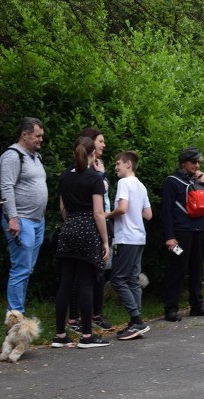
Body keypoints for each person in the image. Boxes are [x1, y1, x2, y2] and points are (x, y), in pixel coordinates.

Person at [51, 136, 111, 348]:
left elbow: (63, 209)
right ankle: (87, 336)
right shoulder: (95, 179)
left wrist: (71, 223)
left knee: (66, 281)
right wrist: (105, 241)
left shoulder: (65, 176)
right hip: (87, 230)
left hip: (68, 229)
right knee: (86, 282)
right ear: (93, 154)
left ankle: (59, 335)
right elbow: (98, 212)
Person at [161, 147, 204, 321]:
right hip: (181, 232)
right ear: (184, 163)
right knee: (177, 270)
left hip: (199, 230)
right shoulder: (172, 181)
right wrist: (169, 236)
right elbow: (166, 211)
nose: (197, 165)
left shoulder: (198, 181)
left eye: (199, 162)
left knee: (197, 269)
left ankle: (197, 305)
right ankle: (171, 308)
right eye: (194, 162)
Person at [66, 127, 115, 332]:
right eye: (101, 141)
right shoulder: (79, 172)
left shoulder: (98, 170)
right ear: (90, 144)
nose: (104, 145)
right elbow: (93, 209)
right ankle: (77, 320)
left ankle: (96, 314)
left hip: (100, 223)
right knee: (83, 276)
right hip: (90, 227)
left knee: (100, 273)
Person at [0, 117, 48, 315]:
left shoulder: (35, 157)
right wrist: (13, 218)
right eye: (37, 136)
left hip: (37, 221)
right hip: (21, 221)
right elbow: (7, 186)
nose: (40, 140)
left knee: (27, 269)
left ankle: (17, 312)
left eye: (41, 136)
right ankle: (15, 317)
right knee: (20, 269)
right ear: (24, 134)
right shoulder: (13, 156)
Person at [107, 151, 152, 340]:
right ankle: (135, 323)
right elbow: (148, 215)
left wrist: (105, 215)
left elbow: (123, 208)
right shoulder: (140, 186)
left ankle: (137, 320)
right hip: (139, 237)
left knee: (118, 280)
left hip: (125, 238)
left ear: (127, 164)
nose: (116, 167)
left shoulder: (124, 183)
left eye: (118, 164)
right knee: (133, 280)